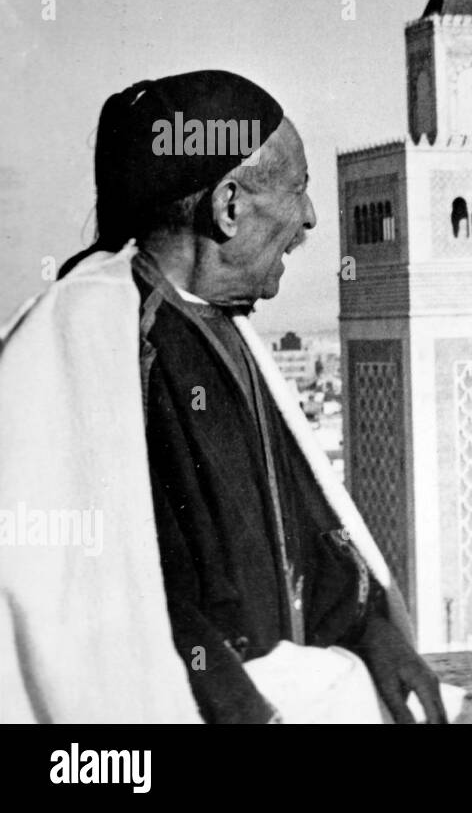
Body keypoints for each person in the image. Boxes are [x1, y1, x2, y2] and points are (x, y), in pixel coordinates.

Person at [0, 70, 446, 723]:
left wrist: (369, 628)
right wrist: (224, 691)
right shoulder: (86, 333)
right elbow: (70, 584)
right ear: (229, 206)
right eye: (298, 191)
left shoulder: (218, 326)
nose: (312, 219)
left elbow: (305, 536)